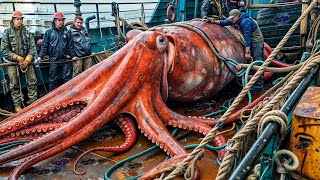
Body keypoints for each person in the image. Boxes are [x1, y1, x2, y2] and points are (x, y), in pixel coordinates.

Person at [211, 9, 264, 92]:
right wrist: (213, 21)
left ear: (236, 16)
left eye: (232, 18)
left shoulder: (245, 21)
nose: (231, 20)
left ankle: (259, 85)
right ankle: (252, 80)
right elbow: (226, 22)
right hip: (250, 42)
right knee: (251, 64)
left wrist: (247, 52)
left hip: (256, 42)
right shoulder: (237, 19)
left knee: (257, 62)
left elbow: (247, 38)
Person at [1, 11, 38, 112]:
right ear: (13, 20)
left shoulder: (26, 32)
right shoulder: (7, 32)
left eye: (21, 19)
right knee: (14, 83)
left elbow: (32, 47)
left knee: (32, 80)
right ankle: (17, 105)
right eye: (17, 19)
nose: (19, 21)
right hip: (12, 62)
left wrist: (28, 59)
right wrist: (17, 58)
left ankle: (33, 100)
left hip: (26, 60)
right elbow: (4, 50)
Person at [38, 11, 75, 92]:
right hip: (54, 60)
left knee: (67, 78)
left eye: (62, 20)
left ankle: (69, 93)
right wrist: (40, 57)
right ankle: (52, 95)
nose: (61, 22)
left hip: (65, 59)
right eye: (59, 20)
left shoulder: (67, 32)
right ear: (55, 21)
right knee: (52, 79)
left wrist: (73, 56)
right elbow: (44, 46)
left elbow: (70, 46)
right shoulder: (49, 32)